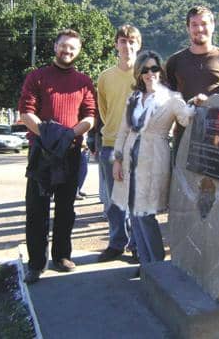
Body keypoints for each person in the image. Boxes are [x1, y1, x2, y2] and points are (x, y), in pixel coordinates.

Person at [111, 51, 206, 273]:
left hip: (154, 160)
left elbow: (186, 117)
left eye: (154, 68)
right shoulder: (133, 98)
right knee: (134, 212)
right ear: (138, 73)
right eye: (144, 69)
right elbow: (123, 130)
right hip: (129, 160)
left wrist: (198, 102)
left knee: (146, 214)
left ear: (160, 71)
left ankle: (157, 266)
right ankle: (145, 264)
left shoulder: (172, 98)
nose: (149, 73)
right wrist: (117, 159)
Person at [18, 29, 96, 284]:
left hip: (71, 152)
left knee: (66, 209)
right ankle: (36, 263)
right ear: (55, 47)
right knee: (36, 210)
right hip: (41, 152)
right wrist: (49, 135)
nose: (67, 51)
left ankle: (62, 256)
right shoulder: (37, 77)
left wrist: (68, 135)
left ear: (78, 52)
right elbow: (26, 111)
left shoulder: (84, 82)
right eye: (63, 46)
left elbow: (90, 116)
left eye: (73, 48)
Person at [96, 25, 142, 262]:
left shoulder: (147, 74)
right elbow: (104, 111)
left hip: (138, 145)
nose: (127, 46)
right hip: (111, 144)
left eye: (132, 41)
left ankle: (136, 245)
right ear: (116, 45)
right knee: (114, 201)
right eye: (122, 41)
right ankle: (116, 243)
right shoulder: (105, 77)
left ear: (138, 45)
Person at [166, 5, 219, 101]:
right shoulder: (174, 61)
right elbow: (167, 97)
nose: (200, 29)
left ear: (212, 26)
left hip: (217, 115)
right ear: (188, 28)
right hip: (185, 115)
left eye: (204, 24)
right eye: (194, 25)